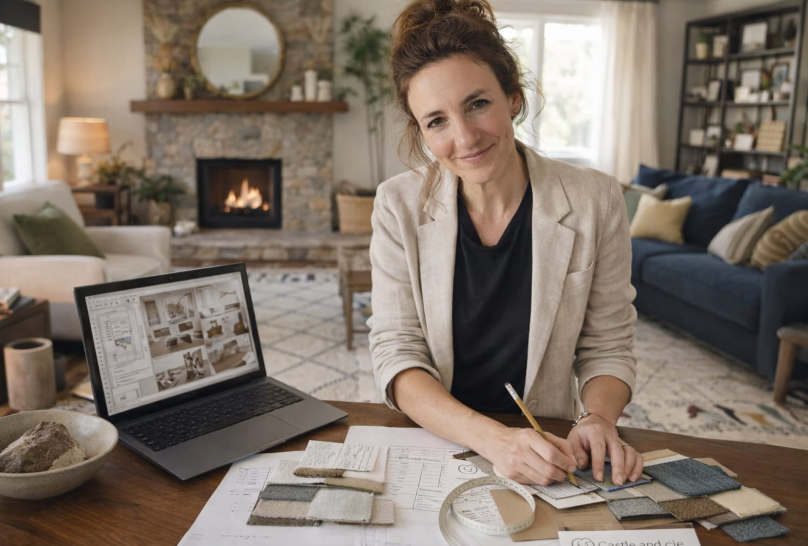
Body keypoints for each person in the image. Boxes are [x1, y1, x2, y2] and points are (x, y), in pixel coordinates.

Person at [368, 0, 642, 488]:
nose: (465, 137)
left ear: (513, 97)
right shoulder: (397, 205)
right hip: (438, 439)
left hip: (549, 444)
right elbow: (397, 353)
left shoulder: (595, 198)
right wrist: (491, 440)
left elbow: (609, 343)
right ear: (422, 133)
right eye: (437, 121)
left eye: (477, 104)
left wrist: (597, 419)